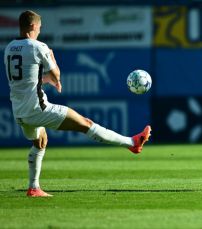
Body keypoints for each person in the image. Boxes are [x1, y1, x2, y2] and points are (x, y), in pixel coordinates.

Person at [4, 10, 152, 197]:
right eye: (39, 28)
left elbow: (24, 79)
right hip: (38, 108)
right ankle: (132, 143)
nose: (39, 32)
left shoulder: (9, 48)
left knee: (40, 142)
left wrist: (44, 79)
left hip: (19, 110)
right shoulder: (38, 46)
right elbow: (56, 73)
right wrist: (53, 65)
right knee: (86, 124)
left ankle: (34, 188)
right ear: (33, 26)